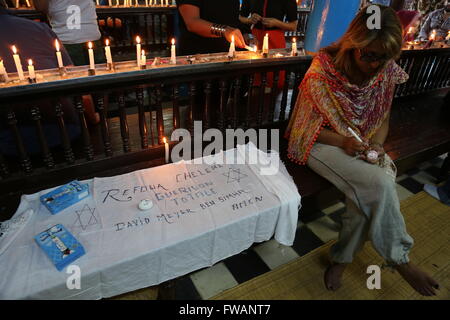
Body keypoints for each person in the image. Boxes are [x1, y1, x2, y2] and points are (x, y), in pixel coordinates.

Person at [285, 5, 440, 296]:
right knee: (380, 182)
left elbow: (383, 117)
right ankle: (401, 260)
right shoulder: (324, 72)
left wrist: (379, 144)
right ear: (353, 44)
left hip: (362, 141)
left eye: (384, 58)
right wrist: (344, 141)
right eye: (369, 55)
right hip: (320, 143)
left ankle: (341, 259)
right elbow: (303, 129)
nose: (375, 65)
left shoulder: (385, 71)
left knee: (365, 198)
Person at [239, 0, 298, 88]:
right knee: (255, 79)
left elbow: (294, 26)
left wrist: (276, 22)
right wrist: (250, 20)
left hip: (275, 40)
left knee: (275, 79)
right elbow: (240, 17)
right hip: (256, 40)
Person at [33, 0, 104, 66]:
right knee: (98, 74)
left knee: (69, 76)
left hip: (65, 40)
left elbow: (40, 7)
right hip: (90, 35)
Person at [176, 0, 246, 56]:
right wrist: (224, 30)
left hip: (230, 55)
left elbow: (231, 18)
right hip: (199, 57)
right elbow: (192, 22)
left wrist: (246, 34)